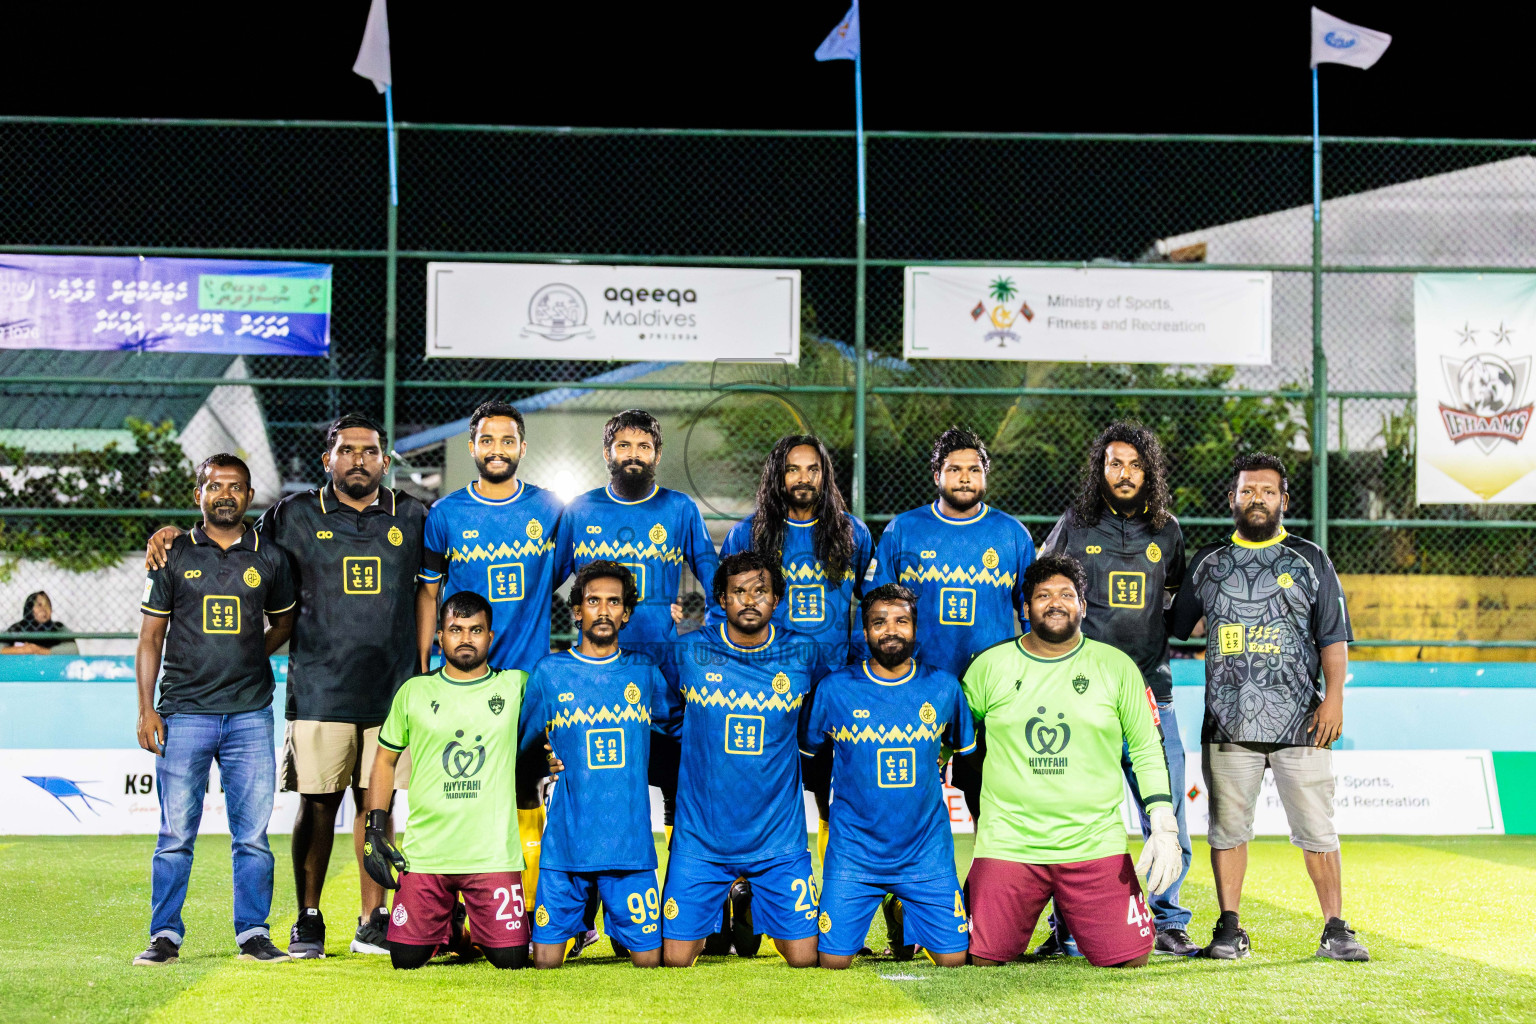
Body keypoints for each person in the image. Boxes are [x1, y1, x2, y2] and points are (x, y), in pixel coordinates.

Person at [146, 413, 427, 958]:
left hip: (393, 690)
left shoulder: (414, 514)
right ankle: (309, 918)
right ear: (328, 460)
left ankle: (373, 919)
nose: (358, 460)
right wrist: (176, 533)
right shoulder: (293, 514)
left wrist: (419, 668)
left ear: (385, 461)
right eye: (346, 451)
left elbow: (428, 593)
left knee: (379, 809)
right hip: (319, 686)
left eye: (369, 451)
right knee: (317, 804)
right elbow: (229, 535)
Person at [1169, 452, 1366, 962]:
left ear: (1284, 500)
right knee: (1227, 830)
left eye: (1267, 491)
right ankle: (1229, 927)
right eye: (1247, 491)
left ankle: (1335, 928)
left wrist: (1336, 697)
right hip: (1229, 723)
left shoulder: (1309, 559)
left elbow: (1333, 637)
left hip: (1303, 722)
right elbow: (1174, 624)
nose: (1257, 499)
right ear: (1231, 499)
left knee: (1317, 831)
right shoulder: (1210, 564)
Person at [961, 554, 1181, 969]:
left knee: (1129, 958)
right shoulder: (988, 667)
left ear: (1083, 605)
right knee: (979, 957)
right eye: (1042, 595)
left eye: (1066, 594)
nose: (1054, 603)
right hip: (1010, 841)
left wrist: (1163, 820)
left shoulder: (1117, 667)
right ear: (1025, 609)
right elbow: (951, 738)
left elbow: (1147, 747)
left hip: (1093, 841)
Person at [554, 409, 718, 952]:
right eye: (622, 444)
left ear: (657, 454)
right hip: (599, 689)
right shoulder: (579, 512)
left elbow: (717, 583)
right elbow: (543, 585)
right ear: (607, 453)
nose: (632, 454)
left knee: (679, 801)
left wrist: (695, 636)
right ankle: (581, 921)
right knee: (600, 800)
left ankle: (678, 912)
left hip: (666, 687)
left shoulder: (679, 509)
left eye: (643, 446)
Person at [1038, 422, 1198, 957]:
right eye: (1114, 463)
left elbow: (1176, 609)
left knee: (1168, 808)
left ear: (1148, 469)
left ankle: (1170, 920)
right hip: (1084, 696)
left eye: (1134, 464)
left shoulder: (1168, 532)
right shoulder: (1074, 526)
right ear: (1100, 470)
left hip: (1154, 694)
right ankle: (1067, 927)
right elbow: (1042, 592)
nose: (1124, 473)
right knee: (1076, 813)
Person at [131, 453, 296, 966]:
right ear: (198, 494)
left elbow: (285, 624)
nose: (225, 493)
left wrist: (251, 652)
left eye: (236, 486)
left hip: (249, 714)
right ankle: (165, 935)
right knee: (175, 835)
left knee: (252, 837)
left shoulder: (270, 558)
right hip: (183, 714)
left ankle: (253, 933)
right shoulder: (172, 554)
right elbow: (149, 638)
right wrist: (146, 710)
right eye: (215, 485)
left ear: (249, 497)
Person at [709, 434, 873, 937]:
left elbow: (871, 608)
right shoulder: (749, 534)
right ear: (777, 477)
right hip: (765, 694)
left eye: (812, 469)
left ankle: (831, 902)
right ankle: (744, 895)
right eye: (792, 470)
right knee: (756, 796)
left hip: (831, 692)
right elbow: (724, 611)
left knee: (832, 800)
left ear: (825, 475)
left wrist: (861, 677)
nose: (803, 479)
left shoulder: (853, 534)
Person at [415, 399, 564, 916]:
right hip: (463, 687)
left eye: (506, 441)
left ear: (522, 447)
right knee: (464, 795)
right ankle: (456, 914)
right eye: (486, 440)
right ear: (471, 446)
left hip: (525, 687)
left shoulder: (549, 510)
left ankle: (534, 912)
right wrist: (424, 668)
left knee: (526, 799)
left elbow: (565, 574)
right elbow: (430, 595)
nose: (496, 450)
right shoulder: (446, 514)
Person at [654, 551, 831, 968]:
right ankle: (731, 895)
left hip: (778, 840)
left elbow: (814, 721)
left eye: (761, 591)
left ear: (777, 599)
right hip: (701, 839)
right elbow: (666, 714)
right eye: (738, 592)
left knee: (805, 959)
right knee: (676, 960)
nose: (750, 601)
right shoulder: (689, 650)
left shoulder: (803, 652)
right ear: (720, 598)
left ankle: (747, 900)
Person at [361, 591, 541, 970]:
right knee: (405, 959)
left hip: (492, 854)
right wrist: (375, 827)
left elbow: (556, 721)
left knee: (510, 960)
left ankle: (461, 927)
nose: (465, 638)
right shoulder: (414, 691)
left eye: (476, 630)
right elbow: (384, 761)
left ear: (490, 637)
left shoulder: (517, 686)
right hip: (427, 854)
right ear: (439, 636)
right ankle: (454, 926)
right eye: (455, 629)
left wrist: (554, 755)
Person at [803, 583, 975, 969]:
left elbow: (964, 754)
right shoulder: (834, 689)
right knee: (832, 962)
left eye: (901, 621)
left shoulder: (945, 687)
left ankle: (902, 903)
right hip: (854, 853)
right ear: (864, 633)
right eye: (879, 622)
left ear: (916, 628)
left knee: (954, 960)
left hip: (925, 853)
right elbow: (810, 757)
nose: (891, 630)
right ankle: (890, 903)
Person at [520, 561, 669, 969]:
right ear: (576, 611)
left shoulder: (645, 671)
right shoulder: (550, 673)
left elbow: (674, 733)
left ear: (626, 613)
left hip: (630, 849)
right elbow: (523, 744)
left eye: (613, 602)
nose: (603, 611)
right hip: (566, 846)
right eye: (593, 601)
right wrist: (545, 761)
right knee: (545, 963)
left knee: (651, 962)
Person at [866, 426, 1035, 682]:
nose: (965, 478)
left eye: (974, 470)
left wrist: (1031, 669)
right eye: (954, 470)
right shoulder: (903, 529)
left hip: (993, 680)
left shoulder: (1013, 534)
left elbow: (1031, 609)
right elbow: (875, 607)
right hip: (918, 680)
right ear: (937, 476)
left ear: (985, 476)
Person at [3, 591, 72, 653]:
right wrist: (22, 650)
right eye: (39, 605)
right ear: (30, 608)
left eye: (47, 606)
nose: (44, 609)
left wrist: (41, 651)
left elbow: (74, 648)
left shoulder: (58, 627)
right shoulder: (18, 627)